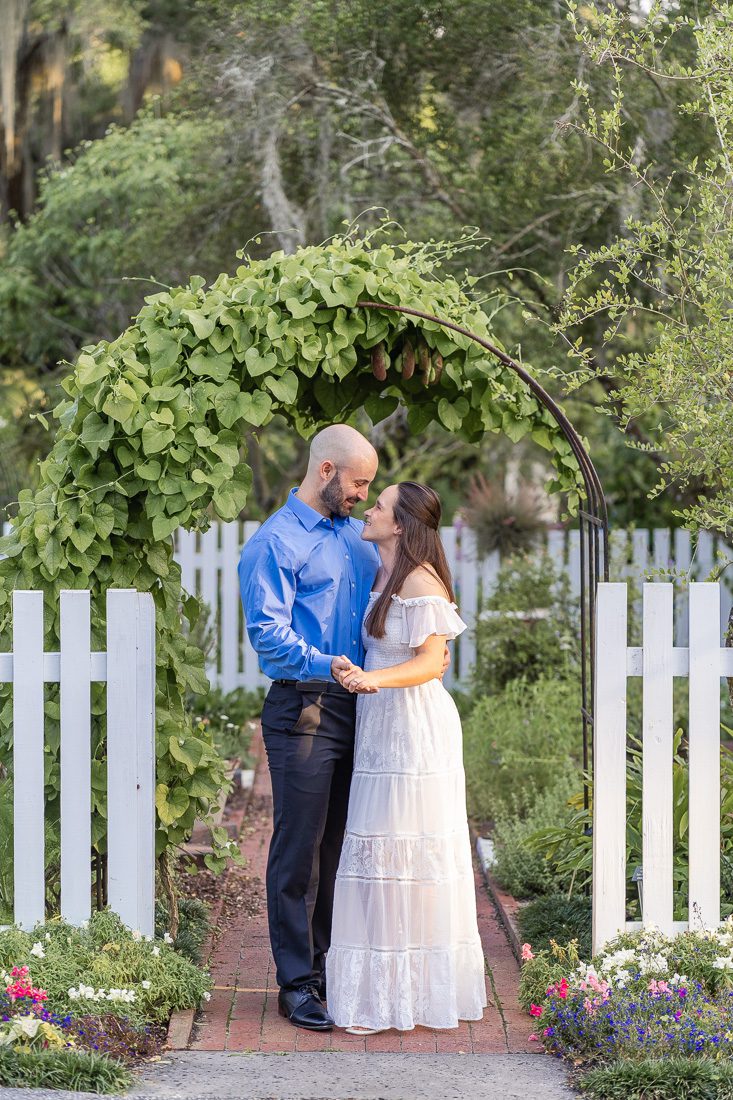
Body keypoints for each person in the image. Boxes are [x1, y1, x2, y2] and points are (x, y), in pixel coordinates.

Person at [326, 481, 487, 1034]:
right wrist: (355, 670)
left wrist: (372, 677)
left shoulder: (421, 582)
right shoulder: (383, 572)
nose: (369, 509)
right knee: (381, 857)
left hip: (414, 728)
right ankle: (384, 989)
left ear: (400, 525)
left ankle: (413, 994)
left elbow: (430, 662)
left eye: (379, 505)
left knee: (408, 856)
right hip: (381, 725)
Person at [238, 425, 381, 1032]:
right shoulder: (274, 543)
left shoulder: (360, 540)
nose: (361, 494)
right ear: (326, 471)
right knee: (299, 850)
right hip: (306, 709)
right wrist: (331, 666)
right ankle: (296, 984)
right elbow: (269, 640)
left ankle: (327, 968)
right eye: (358, 483)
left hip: (364, 709)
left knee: (340, 846)